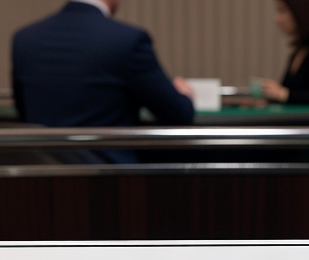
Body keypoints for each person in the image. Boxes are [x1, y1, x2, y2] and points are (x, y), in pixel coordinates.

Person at [11, 0, 194, 163]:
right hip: (109, 175)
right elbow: (177, 114)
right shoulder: (127, 39)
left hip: (40, 174)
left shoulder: (25, 38)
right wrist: (184, 95)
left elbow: (24, 112)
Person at [257, 0, 309, 106]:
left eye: (282, 11)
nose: (277, 19)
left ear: (301, 12)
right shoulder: (299, 51)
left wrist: (283, 94)